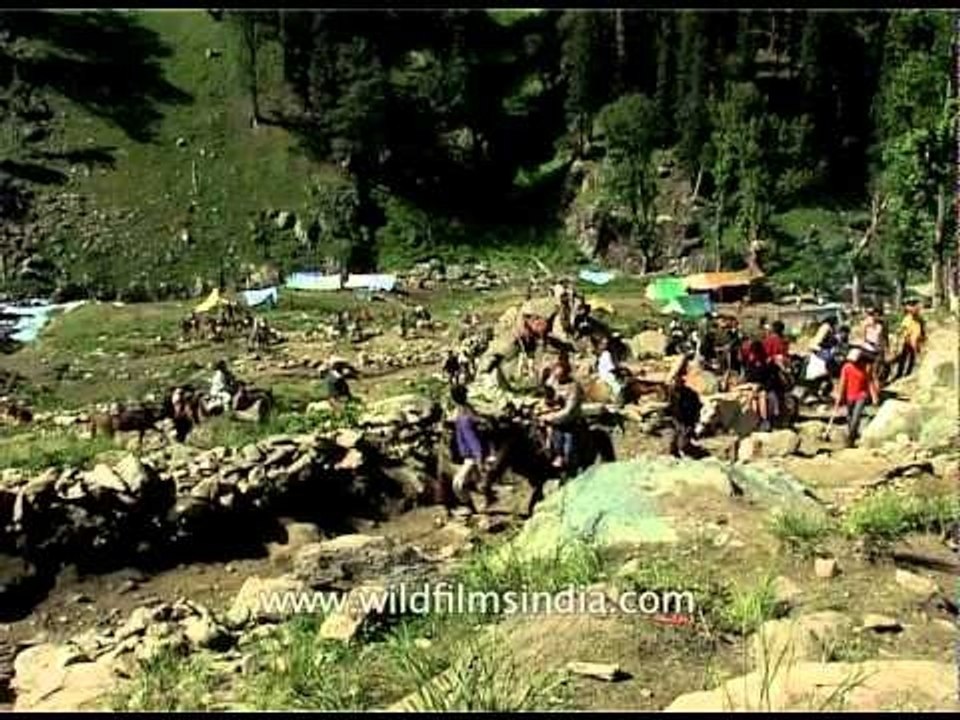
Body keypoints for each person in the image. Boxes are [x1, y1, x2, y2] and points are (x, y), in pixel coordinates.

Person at [450, 384, 493, 513]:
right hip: (469, 455)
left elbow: (473, 440)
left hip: (471, 456)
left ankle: (470, 507)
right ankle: (485, 500)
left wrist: (478, 458)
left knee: (458, 484)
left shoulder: (464, 416)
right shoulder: (464, 410)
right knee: (474, 481)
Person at [540, 357, 584, 472]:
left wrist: (551, 417)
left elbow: (569, 410)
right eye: (556, 376)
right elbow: (547, 390)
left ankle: (569, 463)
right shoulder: (553, 380)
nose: (557, 379)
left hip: (569, 419)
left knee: (568, 447)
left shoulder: (574, 387)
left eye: (561, 377)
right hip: (553, 414)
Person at [833, 347, 880, 447]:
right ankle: (852, 436)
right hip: (849, 396)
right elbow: (843, 383)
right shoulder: (846, 367)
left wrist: (874, 396)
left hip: (861, 396)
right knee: (850, 417)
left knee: (856, 417)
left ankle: (850, 438)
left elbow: (869, 381)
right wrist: (839, 397)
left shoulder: (866, 368)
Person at [665, 356, 703, 458]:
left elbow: (696, 408)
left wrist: (692, 423)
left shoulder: (690, 394)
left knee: (682, 443)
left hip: (686, 421)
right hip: (676, 420)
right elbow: (670, 407)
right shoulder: (672, 394)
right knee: (672, 443)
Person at [895, 302, 925, 379]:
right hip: (908, 340)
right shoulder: (907, 318)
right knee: (904, 357)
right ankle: (900, 373)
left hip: (915, 341)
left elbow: (922, 330)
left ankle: (908, 373)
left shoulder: (919, 320)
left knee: (912, 357)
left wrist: (921, 338)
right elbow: (903, 329)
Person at [596, 335, 625, 405]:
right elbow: (612, 369)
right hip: (606, 376)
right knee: (617, 387)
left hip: (607, 374)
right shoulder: (607, 355)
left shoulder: (609, 354)